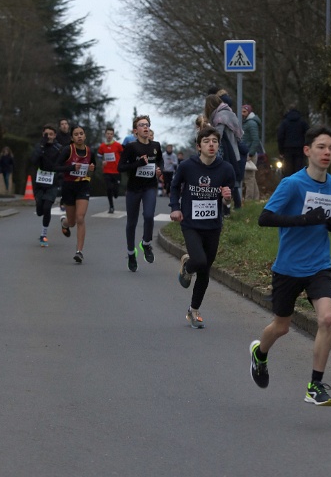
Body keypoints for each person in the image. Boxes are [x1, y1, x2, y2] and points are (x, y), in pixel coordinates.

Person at [250, 125, 331, 406]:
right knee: (281, 327)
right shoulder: (292, 184)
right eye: (321, 147)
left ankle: (315, 386)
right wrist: (304, 220)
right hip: (288, 267)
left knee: (326, 319)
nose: (327, 152)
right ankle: (259, 353)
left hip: (319, 265)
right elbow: (265, 218)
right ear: (307, 151)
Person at [170, 126, 235, 328]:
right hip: (191, 223)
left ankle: (193, 310)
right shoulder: (187, 166)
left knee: (205, 271)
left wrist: (227, 199)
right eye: (206, 141)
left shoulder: (226, 169)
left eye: (214, 141)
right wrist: (175, 208)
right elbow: (174, 187)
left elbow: (228, 201)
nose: (211, 145)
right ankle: (188, 267)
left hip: (213, 225)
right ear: (199, 146)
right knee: (199, 260)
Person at [118, 115, 163, 272]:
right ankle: (131, 253)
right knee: (131, 222)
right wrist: (138, 163)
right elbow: (120, 167)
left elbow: (160, 160)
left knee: (149, 216)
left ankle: (146, 243)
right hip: (133, 189)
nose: (145, 127)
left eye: (147, 125)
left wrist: (159, 169)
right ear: (135, 131)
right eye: (142, 125)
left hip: (150, 187)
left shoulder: (156, 145)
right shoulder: (131, 147)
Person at [59, 124, 96, 263]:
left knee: (80, 218)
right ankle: (64, 223)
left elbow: (92, 170)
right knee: (72, 222)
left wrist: (91, 169)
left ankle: (79, 251)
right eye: (76, 134)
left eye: (81, 133)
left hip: (83, 186)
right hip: (68, 187)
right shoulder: (67, 150)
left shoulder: (89, 151)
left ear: (85, 136)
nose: (79, 136)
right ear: (72, 138)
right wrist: (71, 167)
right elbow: (56, 167)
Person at [205, 94, 243, 213]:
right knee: (232, 179)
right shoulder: (229, 113)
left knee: (225, 180)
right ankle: (237, 206)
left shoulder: (220, 117)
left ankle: (226, 209)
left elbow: (218, 136)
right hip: (234, 150)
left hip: (226, 153)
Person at [31, 124, 63, 247]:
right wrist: (42, 146)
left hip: (52, 183)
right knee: (40, 211)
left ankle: (43, 234)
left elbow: (62, 164)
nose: (48, 136)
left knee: (47, 207)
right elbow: (33, 160)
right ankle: (39, 205)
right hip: (39, 183)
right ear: (43, 135)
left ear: (55, 135)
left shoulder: (59, 148)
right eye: (46, 134)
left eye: (51, 134)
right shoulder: (39, 146)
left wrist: (60, 178)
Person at [277, 105, 309, 176]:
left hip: (287, 149)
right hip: (300, 149)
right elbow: (308, 135)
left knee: (288, 170)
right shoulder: (302, 122)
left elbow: (280, 137)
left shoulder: (284, 123)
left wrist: (281, 151)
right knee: (300, 170)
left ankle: (290, 182)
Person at [97, 126, 123, 213]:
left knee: (115, 191)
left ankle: (116, 193)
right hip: (107, 171)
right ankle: (111, 206)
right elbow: (99, 156)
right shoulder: (102, 146)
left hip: (116, 171)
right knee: (109, 188)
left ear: (113, 135)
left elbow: (123, 154)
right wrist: (102, 161)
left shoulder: (118, 145)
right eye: (108, 134)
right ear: (105, 134)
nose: (109, 135)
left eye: (111, 134)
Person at [241, 104, 262, 201]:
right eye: (242, 111)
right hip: (249, 152)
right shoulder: (248, 122)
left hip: (249, 154)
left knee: (249, 178)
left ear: (248, 112)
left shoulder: (251, 123)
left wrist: (250, 153)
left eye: (244, 112)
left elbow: (256, 140)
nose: (242, 114)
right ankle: (255, 198)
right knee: (251, 177)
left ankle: (249, 199)